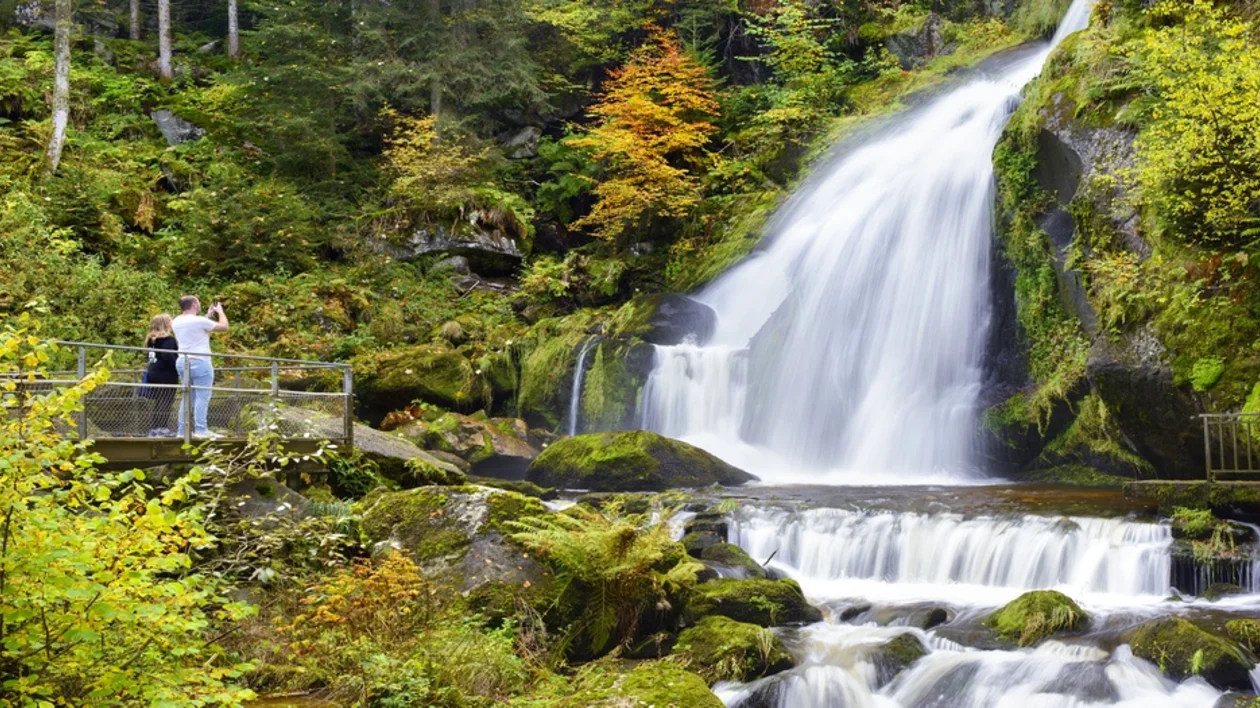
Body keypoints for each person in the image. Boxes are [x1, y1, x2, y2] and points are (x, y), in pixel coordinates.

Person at [172, 295, 229, 439]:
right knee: (202, 396)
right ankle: (201, 430)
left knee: (187, 396)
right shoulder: (199, 321)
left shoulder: (176, 321)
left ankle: (182, 431)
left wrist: (209, 315)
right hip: (200, 361)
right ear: (194, 306)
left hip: (182, 361)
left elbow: (198, 330)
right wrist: (220, 311)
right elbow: (224, 327)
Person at [139, 314, 179, 437]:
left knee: (159, 401)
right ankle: (161, 428)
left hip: (153, 372)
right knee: (165, 401)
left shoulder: (152, 340)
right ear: (165, 324)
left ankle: (156, 427)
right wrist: (178, 364)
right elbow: (168, 356)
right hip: (166, 374)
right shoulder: (168, 340)